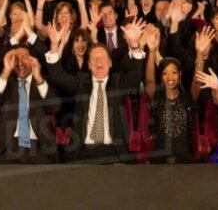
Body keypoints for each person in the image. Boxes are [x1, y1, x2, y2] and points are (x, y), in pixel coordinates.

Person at [44, 20, 146, 163]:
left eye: (102, 58)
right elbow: (58, 76)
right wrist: (55, 45)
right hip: (83, 152)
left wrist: (134, 45)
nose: (99, 61)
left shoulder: (118, 83)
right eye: (95, 59)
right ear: (89, 65)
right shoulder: (80, 83)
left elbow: (136, 75)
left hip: (114, 152)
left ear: (110, 63)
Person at [0, 44, 59, 164]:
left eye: (24, 57)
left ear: (33, 60)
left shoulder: (42, 82)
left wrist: (39, 79)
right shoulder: (5, 83)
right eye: (16, 58)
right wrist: (5, 72)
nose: (20, 63)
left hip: (38, 147)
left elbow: (55, 107)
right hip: (8, 147)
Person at [143, 26, 195, 163]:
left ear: (180, 75)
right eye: (165, 73)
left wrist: (200, 54)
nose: (170, 77)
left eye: (174, 72)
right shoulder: (156, 96)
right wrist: (152, 51)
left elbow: (196, 82)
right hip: (160, 157)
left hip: (184, 158)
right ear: (161, 77)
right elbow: (149, 81)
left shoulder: (188, 97)